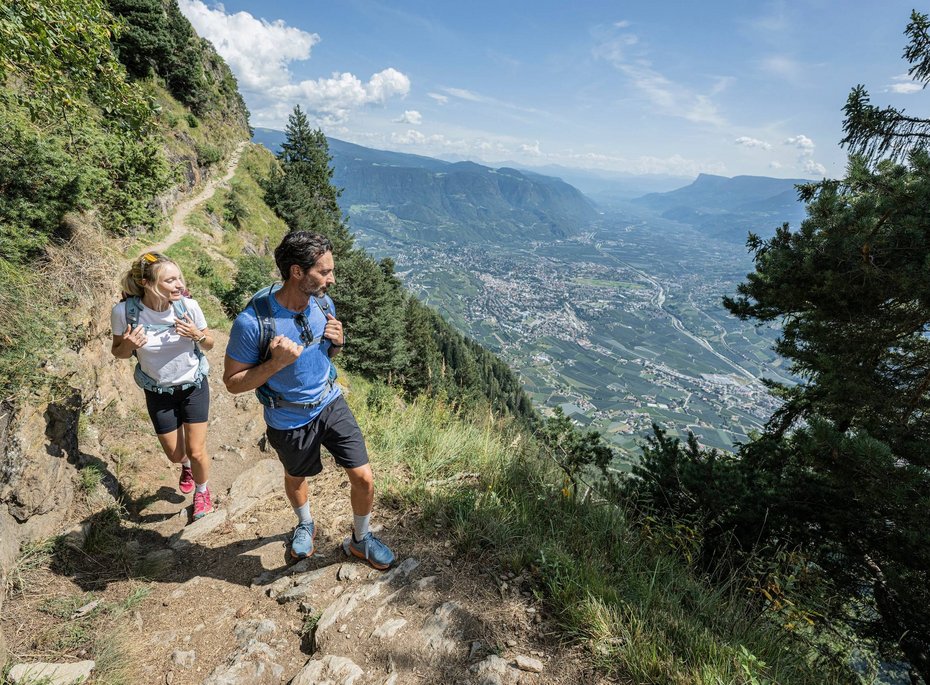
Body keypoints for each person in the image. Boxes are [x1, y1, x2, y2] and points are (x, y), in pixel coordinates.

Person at [223, 231, 394, 570]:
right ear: (297, 272)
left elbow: (322, 356)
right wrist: (274, 364)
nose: (332, 279)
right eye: (324, 272)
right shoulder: (252, 322)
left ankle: (361, 540)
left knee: (363, 477)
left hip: (330, 401)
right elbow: (231, 383)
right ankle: (305, 523)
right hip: (288, 416)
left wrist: (337, 343)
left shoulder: (321, 303)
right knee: (296, 475)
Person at [111, 252, 215, 521]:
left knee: (197, 449)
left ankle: (202, 492)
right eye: (170, 280)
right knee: (176, 454)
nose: (179, 284)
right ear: (147, 283)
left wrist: (198, 335)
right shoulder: (124, 313)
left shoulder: (188, 307)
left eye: (179, 277)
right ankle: (186, 467)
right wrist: (129, 345)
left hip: (193, 385)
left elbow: (209, 343)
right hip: (158, 392)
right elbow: (118, 353)